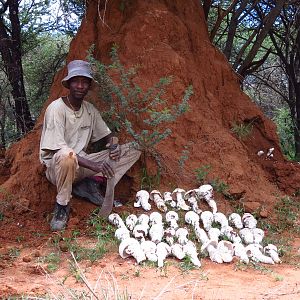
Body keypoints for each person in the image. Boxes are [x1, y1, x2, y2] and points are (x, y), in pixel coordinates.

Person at [39, 60, 141, 231]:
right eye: (76, 81)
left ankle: (90, 185)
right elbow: (58, 148)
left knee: (134, 148)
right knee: (67, 155)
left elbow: (108, 135)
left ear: (88, 86)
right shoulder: (56, 108)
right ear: (69, 84)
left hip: (82, 164)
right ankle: (62, 207)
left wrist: (113, 146)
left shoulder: (89, 109)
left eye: (84, 82)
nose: (80, 85)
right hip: (57, 168)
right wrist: (95, 165)